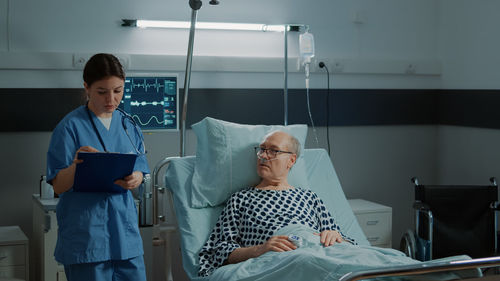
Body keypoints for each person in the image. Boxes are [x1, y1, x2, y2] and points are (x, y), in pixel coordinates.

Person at [46, 53, 149, 281]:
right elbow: (59, 186)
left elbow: (142, 169)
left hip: (125, 236)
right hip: (88, 239)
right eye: (102, 92)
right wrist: (77, 165)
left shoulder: (129, 126)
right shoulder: (69, 128)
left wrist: (137, 177)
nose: (111, 99)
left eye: (118, 90)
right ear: (87, 88)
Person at [198, 131, 356, 277]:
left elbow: (348, 245)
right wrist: (260, 249)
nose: (263, 156)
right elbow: (218, 252)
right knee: (306, 260)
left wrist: (337, 237)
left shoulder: (309, 197)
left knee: (374, 257)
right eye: (261, 149)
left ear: (291, 160)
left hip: (320, 251)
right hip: (281, 259)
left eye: (273, 150)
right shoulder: (241, 199)